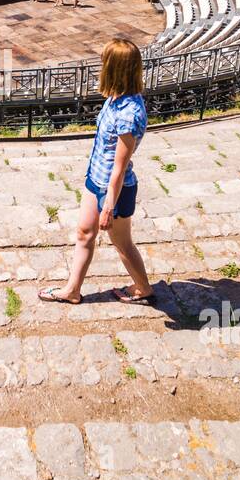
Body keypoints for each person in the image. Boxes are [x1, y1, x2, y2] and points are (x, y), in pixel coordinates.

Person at [38, 38, 154, 306]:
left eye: (104, 62)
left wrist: (108, 207)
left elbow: (120, 166)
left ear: (114, 68)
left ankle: (143, 287)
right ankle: (72, 290)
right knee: (84, 233)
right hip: (96, 179)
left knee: (122, 243)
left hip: (115, 189)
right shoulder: (117, 97)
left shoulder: (129, 113)